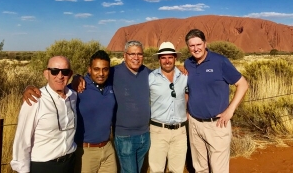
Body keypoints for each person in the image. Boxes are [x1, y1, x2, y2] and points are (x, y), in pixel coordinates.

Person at [22, 51, 117, 173]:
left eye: (105, 69)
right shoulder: (77, 88)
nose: (101, 73)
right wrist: (28, 89)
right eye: (96, 69)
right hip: (85, 151)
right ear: (89, 69)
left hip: (107, 148)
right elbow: (56, 88)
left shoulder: (110, 85)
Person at [184, 29, 249, 173]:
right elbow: (188, 89)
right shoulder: (188, 63)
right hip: (194, 124)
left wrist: (230, 111)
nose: (196, 48)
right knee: (200, 168)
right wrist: (187, 111)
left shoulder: (220, 62)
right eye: (192, 46)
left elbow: (243, 84)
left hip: (217, 124)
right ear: (188, 47)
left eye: (199, 44)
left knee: (218, 169)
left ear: (205, 43)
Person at [11, 56, 77, 173]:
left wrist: (79, 78)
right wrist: (22, 170)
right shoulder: (34, 100)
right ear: (46, 74)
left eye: (65, 72)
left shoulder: (73, 96)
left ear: (70, 74)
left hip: (69, 163)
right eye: (54, 71)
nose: (60, 76)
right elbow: (22, 140)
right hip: (44, 166)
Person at [110, 40, 151, 173]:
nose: (136, 57)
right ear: (124, 55)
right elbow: (94, 77)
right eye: (132, 54)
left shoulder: (148, 73)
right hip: (124, 136)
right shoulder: (113, 73)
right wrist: (78, 78)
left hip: (145, 135)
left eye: (139, 54)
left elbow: (167, 78)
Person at [148, 42, 188, 173]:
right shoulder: (151, 77)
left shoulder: (185, 76)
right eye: (163, 57)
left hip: (180, 131)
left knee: (177, 170)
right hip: (158, 130)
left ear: (175, 57)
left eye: (170, 57)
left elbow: (188, 93)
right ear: (159, 59)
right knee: (156, 169)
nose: (167, 61)